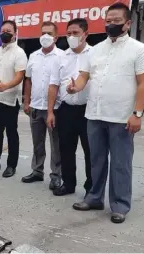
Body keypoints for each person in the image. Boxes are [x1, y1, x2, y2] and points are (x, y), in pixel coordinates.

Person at [68, 2, 144, 224]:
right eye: (108, 20)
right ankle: (94, 197)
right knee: (96, 160)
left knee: (120, 163)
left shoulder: (140, 50)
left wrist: (138, 113)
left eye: (116, 21)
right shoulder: (95, 50)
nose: (111, 24)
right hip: (94, 114)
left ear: (128, 23)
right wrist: (77, 86)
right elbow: (85, 75)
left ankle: (120, 205)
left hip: (122, 117)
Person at [46, 18, 92, 197]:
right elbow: (53, 85)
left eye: (76, 33)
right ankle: (68, 183)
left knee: (90, 151)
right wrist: (50, 111)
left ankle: (91, 189)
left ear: (85, 34)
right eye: (69, 33)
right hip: (66, 110)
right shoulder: (61, 57)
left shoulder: (94, 54)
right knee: (66, 149)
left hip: (89, 111)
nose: (71, 36)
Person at [0, 20, 27, 178]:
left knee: (11, 134)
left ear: (15, 33)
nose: (4, 33)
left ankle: (11, 165)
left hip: (10, 100)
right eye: (2, 30)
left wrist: (6, 86)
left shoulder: (19, 52)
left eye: (8, 30)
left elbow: (20, 76)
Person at [22, 21, 64, 189]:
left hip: (54, 108)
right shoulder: (33, 56)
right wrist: (26, 101)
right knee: (37, 142)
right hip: (35, 106)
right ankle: (37, 171)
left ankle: (56, 175)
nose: (45, 37)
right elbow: (28, 80)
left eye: (49, 33)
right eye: (43, 33)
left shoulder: (62, 56)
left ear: (56, 37)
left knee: (56, 144)